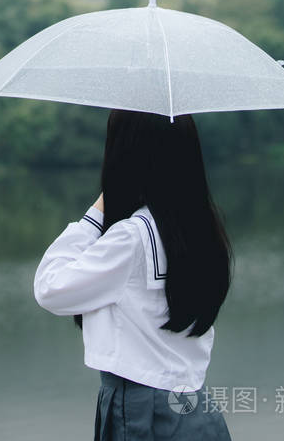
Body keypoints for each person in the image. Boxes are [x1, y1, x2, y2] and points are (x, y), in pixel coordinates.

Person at [33, 109, 234, 440]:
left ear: (126, 153)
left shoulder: (132, 237)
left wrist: (97, 211)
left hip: (143, 409)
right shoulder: (201, 226)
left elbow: (49, 288)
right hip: (193, 406)